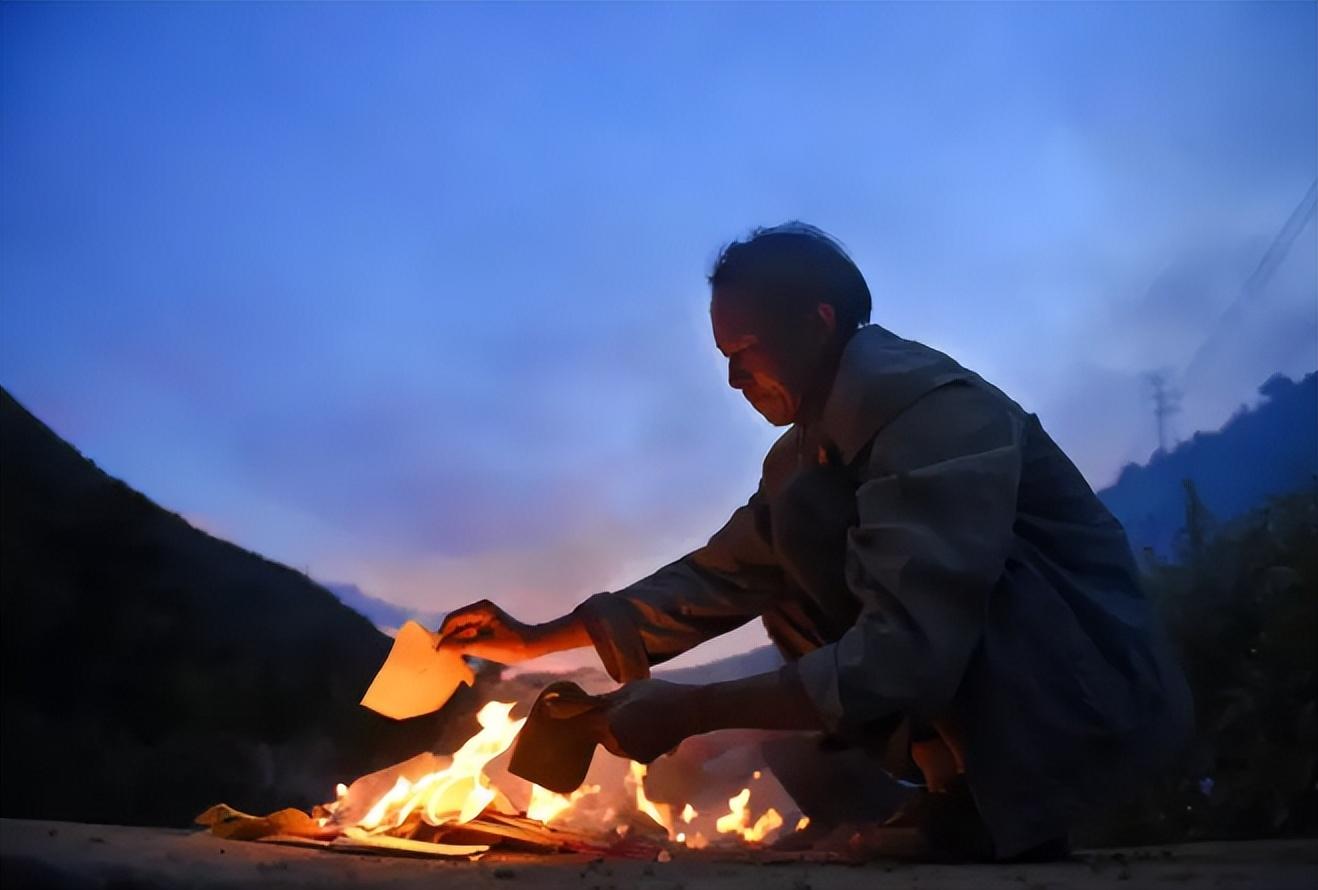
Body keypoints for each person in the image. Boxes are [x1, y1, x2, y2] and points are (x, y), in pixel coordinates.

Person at [438, 223, 1192, 861]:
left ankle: (995, 797)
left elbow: (907, 651)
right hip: (1012, 704)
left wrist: (691, 710)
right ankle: (957, 793)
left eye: (745, 349)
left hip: (1088, 705)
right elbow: (717, 576)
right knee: (794, 536)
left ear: (819, 322)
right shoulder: (807, 456)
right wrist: (535, 642)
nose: (734, 379)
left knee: (834, 554)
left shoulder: (937, 416)